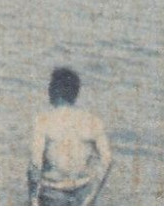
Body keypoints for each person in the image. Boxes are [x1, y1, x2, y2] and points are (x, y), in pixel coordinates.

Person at [28, 68, 112, 206]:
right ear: (76, 93)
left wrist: (33, 199)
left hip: (52, 193)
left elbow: (35, 164)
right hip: (82, 193)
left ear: (54, 90)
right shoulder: (93, 121)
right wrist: (92, 195)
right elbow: (107, 160)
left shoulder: (43, 121)